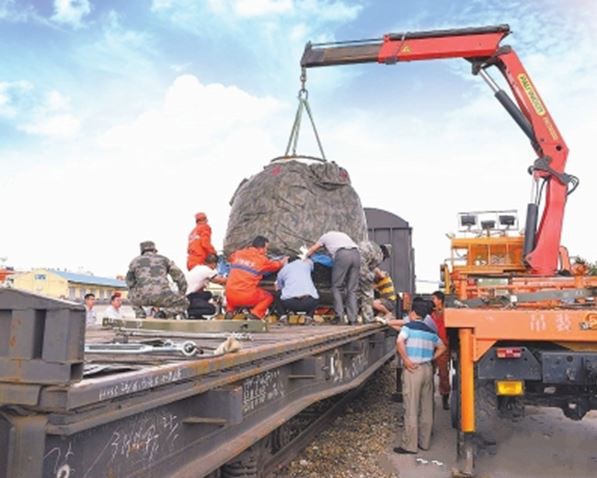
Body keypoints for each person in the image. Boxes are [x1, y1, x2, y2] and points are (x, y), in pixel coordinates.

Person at [394, 299, 446, 454]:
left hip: (413, 370)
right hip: (427, 369)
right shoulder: (430, 331)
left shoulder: (408, 327)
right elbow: (442, 347)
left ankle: (409, 445)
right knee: (426, 407)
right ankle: (425, 442)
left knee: (411, 407)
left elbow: (399, 341)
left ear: (413, 313)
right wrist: (430, 358)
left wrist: (406, 360)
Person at [225, 236, 288, 320]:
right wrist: (282, 261)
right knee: (268, 297)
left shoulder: (237, 254)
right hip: (246, 296)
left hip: (229, 296)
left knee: (234, 292)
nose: (266, 251)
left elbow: (231, 259)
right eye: (266, 248)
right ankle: (256, 314)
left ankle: (230, 311)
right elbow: (276, 266)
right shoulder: (262, 260)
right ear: (261, 248)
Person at [306, 231, 360, 324]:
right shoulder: (344, 234)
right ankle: (353, 319)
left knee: (336, 287)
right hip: (356, 254)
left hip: (342, 255)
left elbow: (312, 249)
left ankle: (339, 317)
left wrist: (304, 256)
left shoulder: (324, 237)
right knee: (352, 289)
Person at [126, 241, 189, 319]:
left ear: (142, 251)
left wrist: (137, 290)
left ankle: (140, 314)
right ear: (154, 250)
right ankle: (162, 314)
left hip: (142, 298)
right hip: (163, 296)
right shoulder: (164, 259)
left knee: (129, 295)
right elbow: (180, 276)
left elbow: (129, 282)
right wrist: (182, 292)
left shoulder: (134, 261)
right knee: (184, 303)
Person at [186, 254, 226, 319]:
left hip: (187, 295)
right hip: (188, 297)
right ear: (214, 264)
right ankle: (189, 312)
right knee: (212, 309)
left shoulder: (199, 267)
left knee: (208, 294)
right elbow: (220, 281)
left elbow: (214, 280)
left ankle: (196, 314)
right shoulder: (207, 270)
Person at [431, 290, 451, 410]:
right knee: (428, 373)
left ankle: (445, 398)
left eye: (434, 298)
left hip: (443, 346)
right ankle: (428, 397)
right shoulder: (430, 313)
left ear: (440, 300)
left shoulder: (447, 313)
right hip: (431, 345)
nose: (432, 301)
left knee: (443, 374)